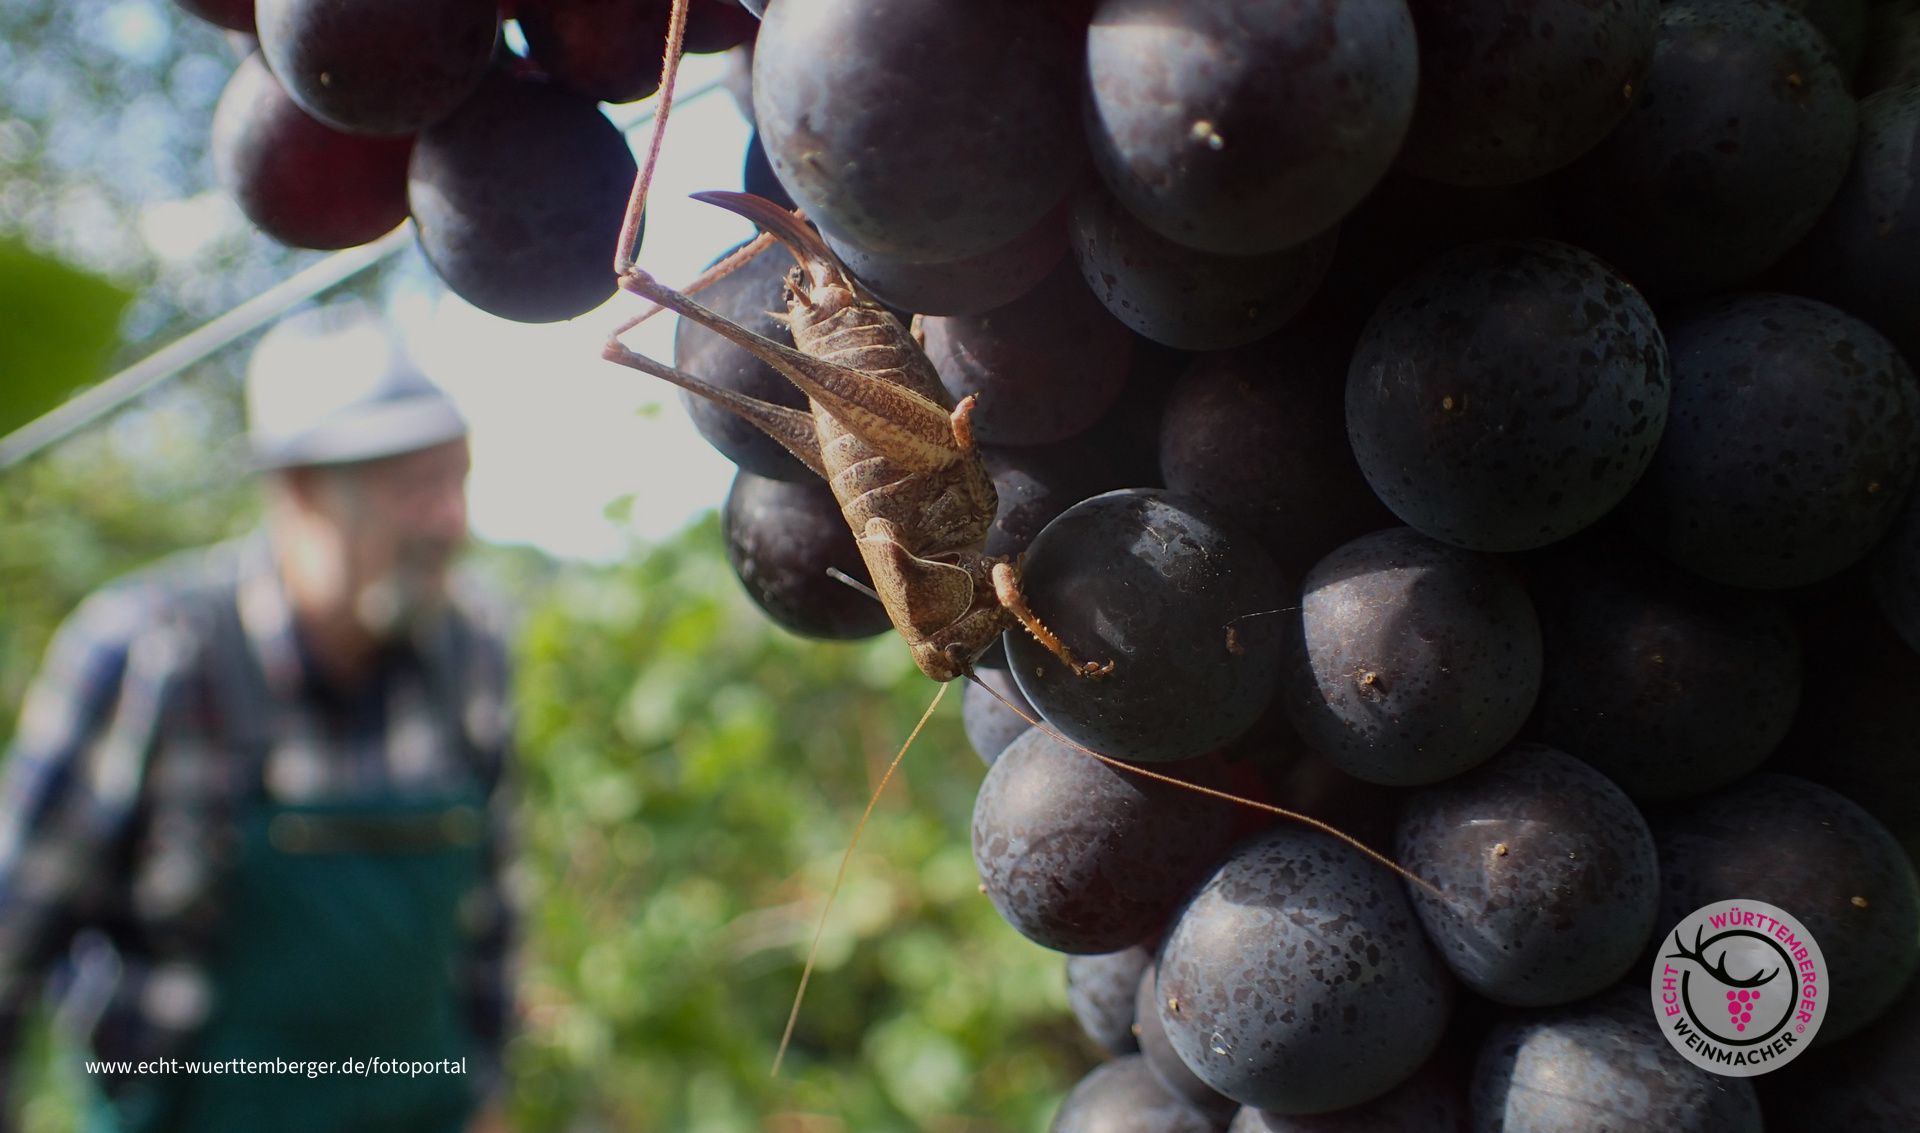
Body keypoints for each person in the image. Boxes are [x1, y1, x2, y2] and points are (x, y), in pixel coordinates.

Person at [0, 304, 515, 1133]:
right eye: (415, 488)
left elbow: (490, 920)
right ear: (300, 487)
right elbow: (10, 934)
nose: (451, 522)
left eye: (456, 480)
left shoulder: (471, 653)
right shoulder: (149, 656)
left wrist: (488, 1095)